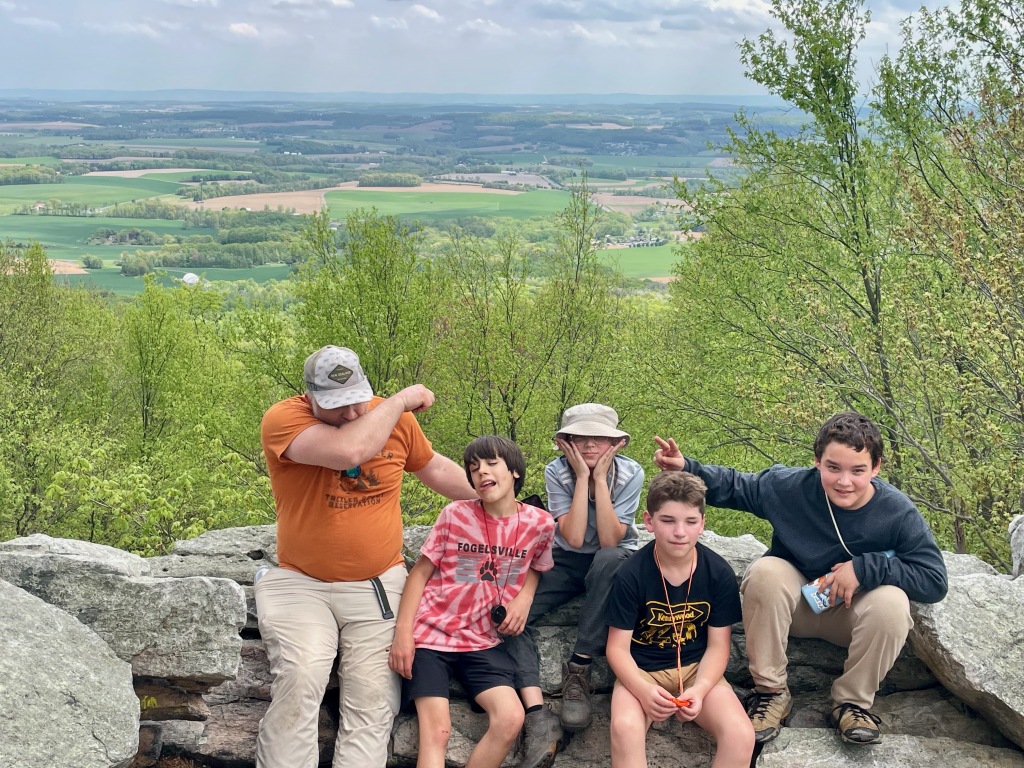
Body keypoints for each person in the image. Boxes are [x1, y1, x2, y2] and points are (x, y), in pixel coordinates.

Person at [654, 411, 948, 746]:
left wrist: (865, 568)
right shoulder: (789, 487)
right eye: (833, 467)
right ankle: (771, 693)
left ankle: (851, 705)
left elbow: (934, 580)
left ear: (876, 467)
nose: (844, 481)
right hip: (792, 608)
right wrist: (686, 467)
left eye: (857, 470)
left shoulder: (897, 511)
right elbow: (736, 485)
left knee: (893, 602)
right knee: (766, 572)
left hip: (850, 617)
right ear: (817, 461)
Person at [255, 345, 477, 768]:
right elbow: (349, 451)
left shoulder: (395, 421)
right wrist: (401, 400)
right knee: (301, 677)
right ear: (310, 396)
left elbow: (433, 468)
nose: (352, 413)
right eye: (337, 405)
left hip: (378, 583)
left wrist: (499, 500)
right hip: (300, 583)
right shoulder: (284, 419)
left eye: (357, 400)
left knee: (373, 700)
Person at [388, 436, 556, 768]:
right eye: (473, 468)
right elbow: (419, 573)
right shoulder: (455, 514)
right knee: (437, 732)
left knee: (510, 718)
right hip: (431, 636)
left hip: (482, 640)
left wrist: (524, 598)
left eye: (492, 463)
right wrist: (403, 635)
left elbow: (538, 565)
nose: (481, 472)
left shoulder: (540, 524)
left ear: (515, 471)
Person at [504, 403, 644, 768]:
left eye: (600, 438)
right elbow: (575, 537)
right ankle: (536, 713)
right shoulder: (558, 471)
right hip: (566, 558)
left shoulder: (631, 473)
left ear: (617, 443)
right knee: (507, 616)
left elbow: (611, 541)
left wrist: (601, 480)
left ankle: (579, 668)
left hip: (613, 561)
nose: (590, 445)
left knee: (608, 560)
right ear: (566, 442)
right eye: (580, 437)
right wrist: (583, 478)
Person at [606, 471, 755, 768]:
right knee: (625, 728)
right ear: (649, 521)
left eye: (690, 521)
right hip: (643, 671)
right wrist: (643, 691)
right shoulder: (631, 575)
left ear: (702, 523)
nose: (680, 532)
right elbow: (617, 648)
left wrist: (701, 689)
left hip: (697, 670)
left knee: (740, 735)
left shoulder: (718, 573)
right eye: (668, 520)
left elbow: (718, 645)